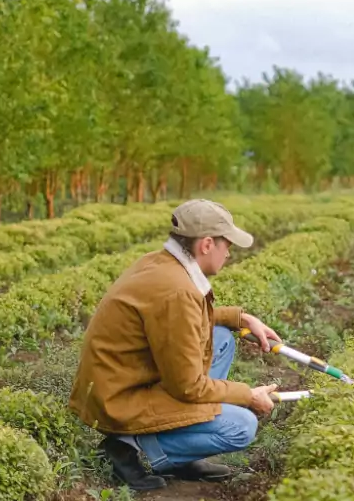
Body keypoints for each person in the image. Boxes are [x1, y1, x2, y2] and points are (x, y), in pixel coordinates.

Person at [68, 199, 281, 491]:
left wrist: (240, 317)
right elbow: (188, 386)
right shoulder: (176, 290)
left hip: (122, 382)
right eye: (227, 244)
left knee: (219, 339)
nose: (229, 252)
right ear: (206, 245)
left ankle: (176, 449)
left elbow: (183, 318)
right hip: (120, 400)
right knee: (242, 426)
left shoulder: (161, 264)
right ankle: (127, 448)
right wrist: (247, 395)